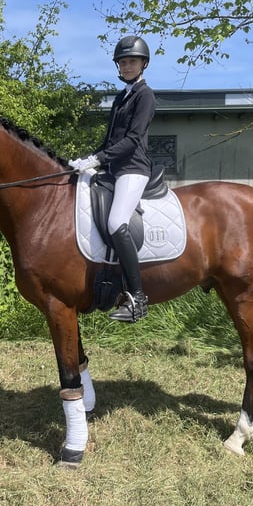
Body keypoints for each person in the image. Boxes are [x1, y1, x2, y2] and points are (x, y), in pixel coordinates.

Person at [70, 35, 155, 322]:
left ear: (143, 64)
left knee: (116, 222)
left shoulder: (145, 96)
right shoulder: (121, 98)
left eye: (131, 61)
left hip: (133, 168)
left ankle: (138, 298)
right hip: (113, 169)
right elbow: (109, 141)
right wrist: (87, 160)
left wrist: (99, 160)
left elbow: (132, 140)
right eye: (122, 61)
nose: (127, 65)